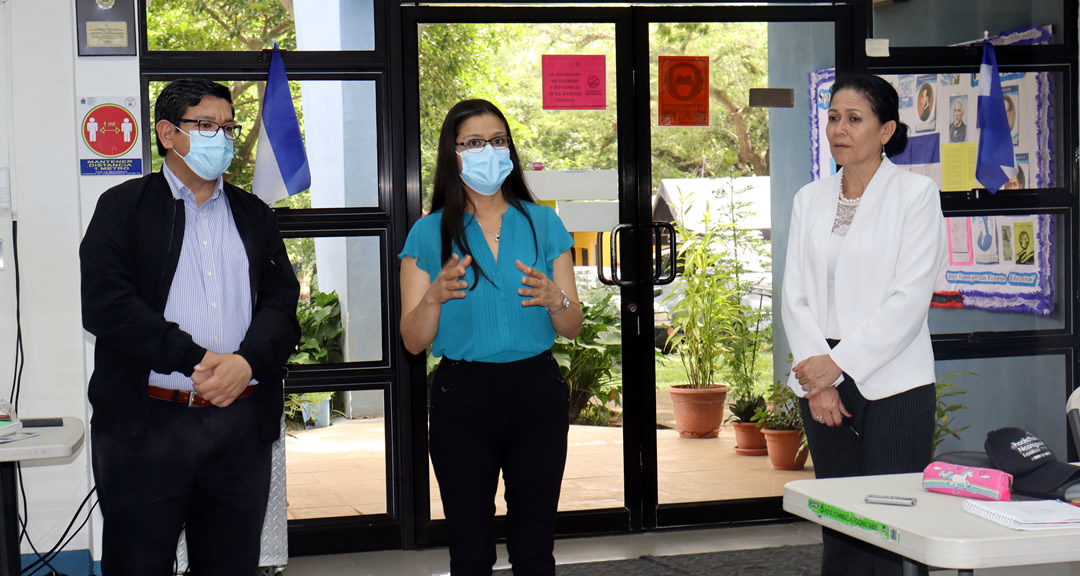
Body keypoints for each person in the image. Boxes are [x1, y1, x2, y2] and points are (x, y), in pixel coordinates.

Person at [80, 78, 301, 576]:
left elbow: (282, 306)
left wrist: (244, 363)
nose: (220, 138)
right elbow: (107, 306)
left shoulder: (254, 214)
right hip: (147, 426)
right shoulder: (123, 208)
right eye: (205, 126)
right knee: (138, 563)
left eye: (227, 127)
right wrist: (197, 360)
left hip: (240, 426)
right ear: (167, 133)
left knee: (230, 563)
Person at [399, 98, 582, 576]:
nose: (489, 152)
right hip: (464, 398)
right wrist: (434, 297)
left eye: (498, 141)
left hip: (536, 393)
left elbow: (572, 325)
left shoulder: (544, 223)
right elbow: (413, 341)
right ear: (453, 154)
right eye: (475, 143)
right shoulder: (427, 233)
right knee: (472, 549)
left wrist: (555, 300)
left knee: (535, 546)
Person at [782, 74, 946, 576]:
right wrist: (821, 378)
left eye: (854, 119)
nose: (839, 128)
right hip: (818, 374)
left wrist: (839, 365)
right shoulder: (809, 199)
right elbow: (794, 295)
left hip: (895, 377)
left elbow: (909, 299)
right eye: (833, 117)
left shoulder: (915, 195)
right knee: (840, 522)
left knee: (887, 525)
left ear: (886, 130)